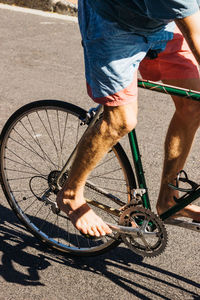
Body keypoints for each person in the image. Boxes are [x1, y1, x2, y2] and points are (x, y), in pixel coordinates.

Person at [57, 0, 200, 237]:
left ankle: (169, 201)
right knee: (121, 120)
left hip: (161, 20)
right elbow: (196, 38)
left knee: (193, 105)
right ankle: (70, 194)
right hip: (113, 23)